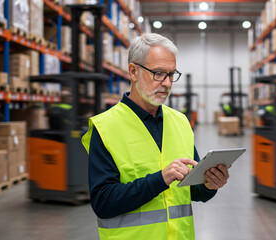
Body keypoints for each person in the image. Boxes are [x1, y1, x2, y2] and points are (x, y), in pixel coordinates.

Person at [81, 33, 230, 240]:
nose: (167, 83)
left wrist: (209, 185)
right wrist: (161, 179)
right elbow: (103, 203)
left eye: (171, 74)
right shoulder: (105, 127)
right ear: (133, 71)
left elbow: (192, 190)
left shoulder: (180, 122)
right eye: (159, 73)